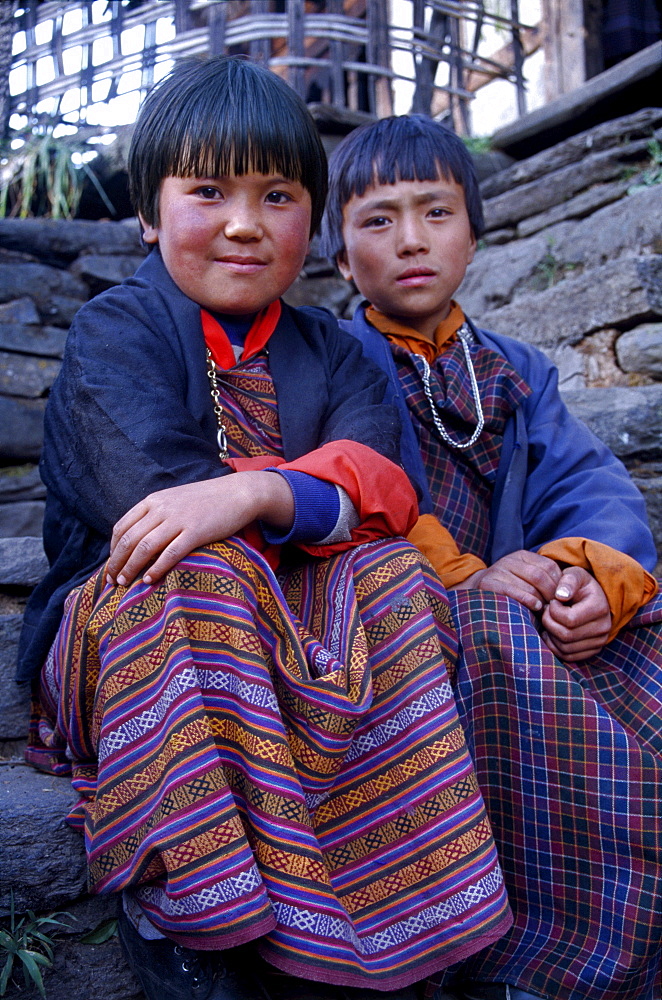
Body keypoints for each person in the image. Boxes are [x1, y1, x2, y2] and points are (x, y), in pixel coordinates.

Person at [17, 61, 515, 1000]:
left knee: (399, 579)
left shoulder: (335, 351)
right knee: (203, 572)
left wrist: (248, 496)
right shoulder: (113, 332)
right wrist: (298, 492)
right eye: (209, 191)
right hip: (139, 618)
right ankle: (201, 928)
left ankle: (413, 922)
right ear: (149, 213)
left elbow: (383, 489)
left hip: (314, 620)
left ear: (309, 221)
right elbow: (155, 507)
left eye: (277, 195)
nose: (246, 223)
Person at [321, 113, 662, 1000]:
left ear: (475, 228)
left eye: (435, 212)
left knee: (643, 638)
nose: (410, 241)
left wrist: (589, 573)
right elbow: (355, 491)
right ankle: (546, 959)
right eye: (377, 220)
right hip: (406, 607)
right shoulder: (329, 361)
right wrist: (473, 576)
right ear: (338, 249)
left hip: (524, 596)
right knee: (506, 641)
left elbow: (589, 483)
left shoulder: (514, 370)